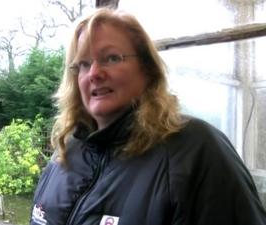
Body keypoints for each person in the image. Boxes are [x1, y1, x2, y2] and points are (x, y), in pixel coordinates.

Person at [30, 7, 266, 225]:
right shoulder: (65, 155)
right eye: (83, 64)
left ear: (148, 70)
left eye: (111, 58)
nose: (94, 73)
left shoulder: (195, 150)